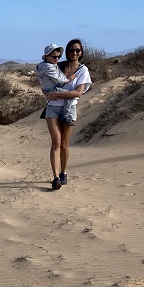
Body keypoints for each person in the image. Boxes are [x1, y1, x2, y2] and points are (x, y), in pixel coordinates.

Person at [38, 39, 92, 190]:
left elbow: (78, 92)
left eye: (77, 50)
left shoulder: (83, 70)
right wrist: (47, 94)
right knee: (56, 142)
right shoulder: (56, 65)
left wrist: (57, 94)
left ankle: (63, 173)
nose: (74, 53)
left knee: (64, 144)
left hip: (69, 108)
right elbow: (45, 84)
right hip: (52, 107)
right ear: (66, 52)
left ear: (81, 53)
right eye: (71, 50)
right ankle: (55, 178)